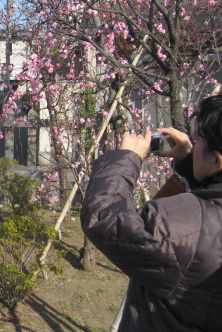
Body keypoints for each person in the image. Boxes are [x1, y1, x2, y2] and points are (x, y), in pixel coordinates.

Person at [81, 94, 222, 331]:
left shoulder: (182, 225)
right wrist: (191, 162)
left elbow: (105, 217)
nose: (194, 143)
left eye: (200, 139)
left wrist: (125, 159)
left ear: (217, 161)